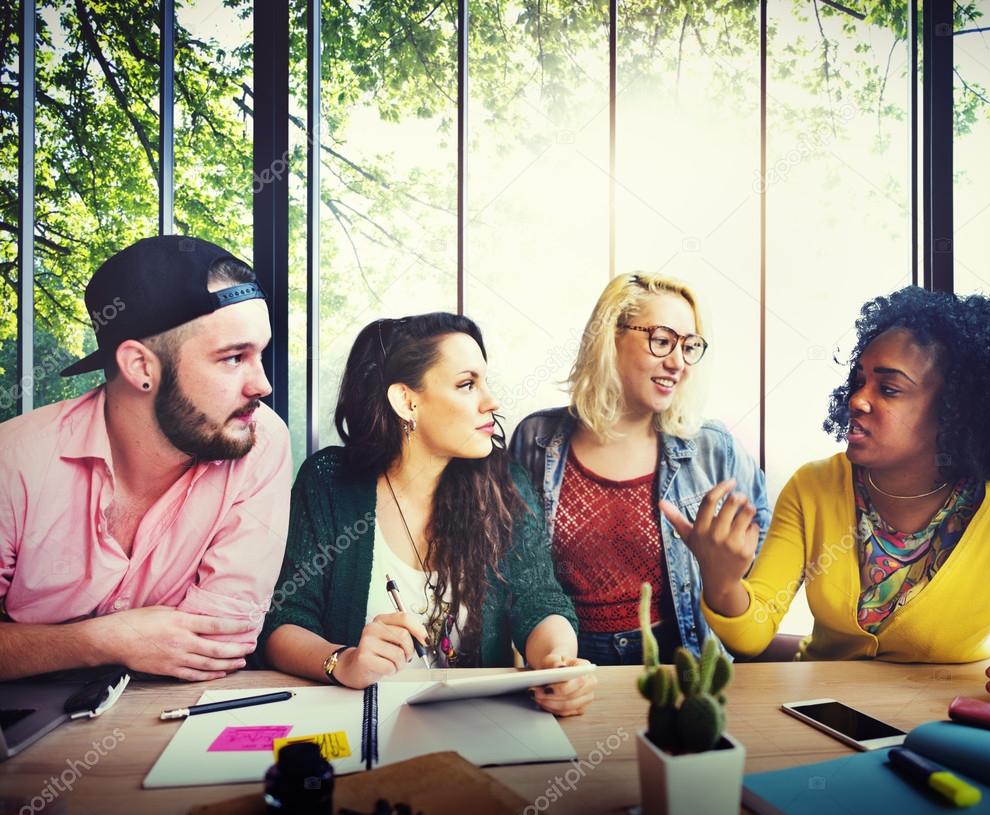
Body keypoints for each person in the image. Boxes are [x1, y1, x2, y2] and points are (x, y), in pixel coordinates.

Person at [663, 287, 990, 695]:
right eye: (859, 381)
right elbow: (752, 633)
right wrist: (722, 581)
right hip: (819, 712)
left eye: (888, 389)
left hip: (946, 721)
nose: (857, 400)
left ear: (956, 409)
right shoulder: (814, 487)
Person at [259, 313, 595, 717]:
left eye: (484, 382)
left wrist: (557, 663)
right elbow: (284, 620)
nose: (492, 401)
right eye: (467, 384)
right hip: (357, 725)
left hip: (476, 726)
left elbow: (539, 602)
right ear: (407, 400)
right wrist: (343, 661)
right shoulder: (328, 482)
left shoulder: (506, 482)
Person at [0, 236, 292, 682]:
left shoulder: (260, 441)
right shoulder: (15, 460)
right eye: (234, 358)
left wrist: (36, 645)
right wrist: (106, 640)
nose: (262, 385)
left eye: (260, 354)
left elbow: (218, 644)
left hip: (174, 719)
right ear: (140, 367)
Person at [510, 273, 769, 665]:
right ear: (610, 338)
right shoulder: (537, 438)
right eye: (662, 341)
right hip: (567, 660)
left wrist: (726, 575)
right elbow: (517, 574)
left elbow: (762, 573)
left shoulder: (714, 447)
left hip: (681, 661)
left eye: (689, 346)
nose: (678, 362)